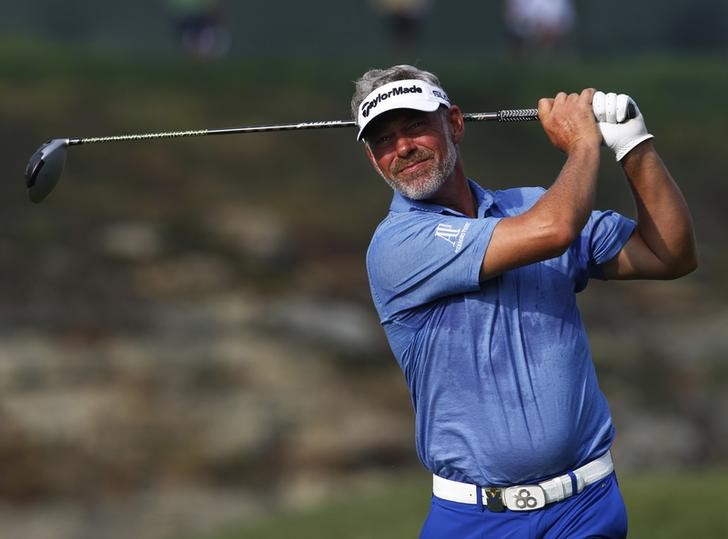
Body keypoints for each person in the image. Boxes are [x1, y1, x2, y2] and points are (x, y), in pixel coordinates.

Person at [351, 65, 697, 538]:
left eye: (415, 126)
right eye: (383, 140)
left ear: (454, 123)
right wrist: (582, 143)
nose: (402, 147)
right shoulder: (397, 245)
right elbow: (553, 231)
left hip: (587, 509)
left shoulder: (532, 206)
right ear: (374, 160)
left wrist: (634, 144)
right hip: (476, 520)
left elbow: (670, 254)